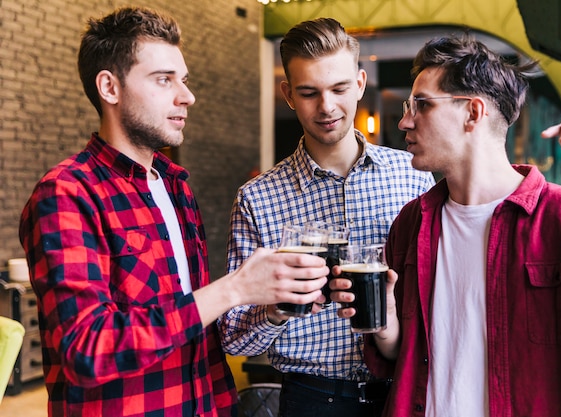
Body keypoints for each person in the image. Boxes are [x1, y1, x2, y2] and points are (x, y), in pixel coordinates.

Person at [18, 7, 329, 417]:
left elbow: (196, 334)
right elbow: (87, 349)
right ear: (109, 87)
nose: (187, 96)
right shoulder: (67, 193)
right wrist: (234, 288)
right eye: (165, 80)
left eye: (184, 80)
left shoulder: (176, 187)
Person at [331, 33, 561, 417]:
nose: (405, 121)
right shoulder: (411, 222)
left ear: (473, 112)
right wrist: (385, 323)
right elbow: (400, 355)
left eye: (421, 104)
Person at [218, 17, 435, 417]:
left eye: (338, 89)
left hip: (403, 391)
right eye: (308, 93)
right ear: (287, 95)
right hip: (310, 399)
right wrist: (277, 309)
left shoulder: (412, 175)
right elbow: (232, 338)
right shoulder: (257, 198)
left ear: (359, 83)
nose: (327, 107)